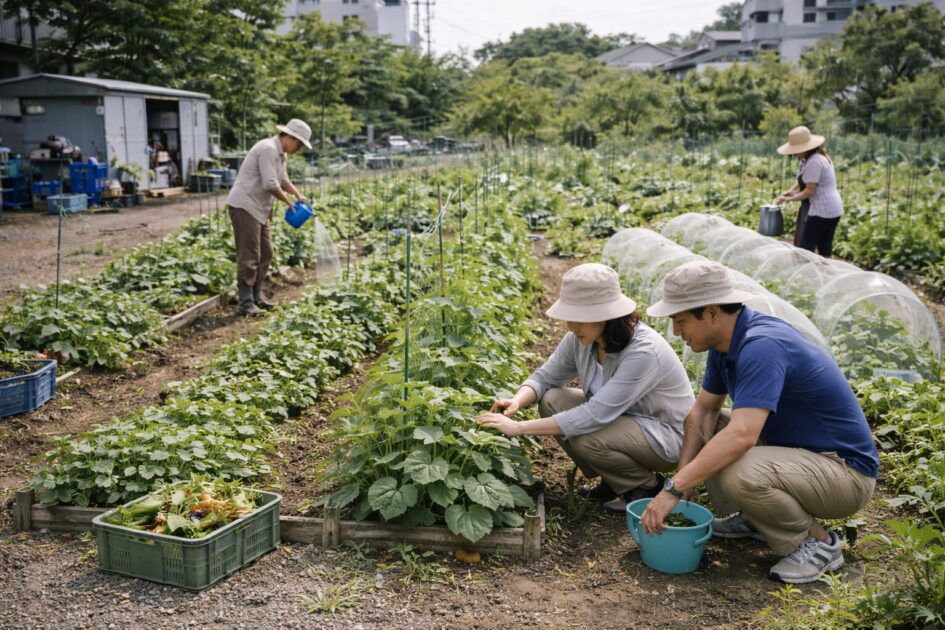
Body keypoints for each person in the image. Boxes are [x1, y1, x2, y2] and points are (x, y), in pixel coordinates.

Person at [640, 260, 878, 584]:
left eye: (680, 321)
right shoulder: (724, 344)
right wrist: (683, 486)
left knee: (739, 464)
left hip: (844, 473)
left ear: (711, 313)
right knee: (716, 431)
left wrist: (671, 489)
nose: (676, 331)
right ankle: (760, 518)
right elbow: (702, 413)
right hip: (796, 454)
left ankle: (818, 544)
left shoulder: (762, 346)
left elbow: (743, 437)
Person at [476, 263, 695, 514]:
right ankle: (614, 479)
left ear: (602, 315)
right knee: (551, 399)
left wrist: (518, 428)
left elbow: (594, 415)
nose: (570, 326)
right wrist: (517, 401)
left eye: (576, 318)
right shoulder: (582, 339)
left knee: (587, 435)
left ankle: (646, 485)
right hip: (623, 423)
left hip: (664, 436)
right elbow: (546, 377)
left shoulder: (643, 352)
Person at [226, 119, 312, 316]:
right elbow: (270, 184)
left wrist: (298, 196)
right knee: (250, 256)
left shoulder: (282, 155)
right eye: (298, 143)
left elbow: (283, 180)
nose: (298, 148)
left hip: (260, 209)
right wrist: (290, 204)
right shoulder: (268, 149)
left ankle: (257, 296)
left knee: (266, 253)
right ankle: (245, 303)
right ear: (289, 137)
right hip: (245, 205)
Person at [776, 126, 843, 257]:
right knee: (824, 247)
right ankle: (827, 273)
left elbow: (809, 191)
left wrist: (787, 199)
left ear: (804, 148)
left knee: (805, 248)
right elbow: (804, 180)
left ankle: (807, 275)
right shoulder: (812, 158)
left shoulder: (814, 161)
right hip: (833, 209)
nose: (793, 154)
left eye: (795, 151)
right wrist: (790, 191)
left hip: (821, 211)